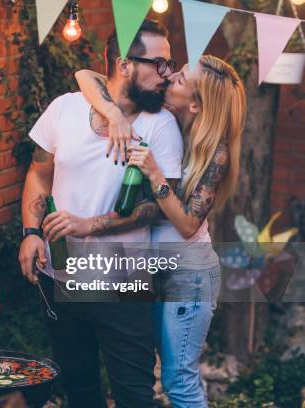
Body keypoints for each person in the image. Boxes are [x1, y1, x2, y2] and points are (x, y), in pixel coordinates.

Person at [18, 20, 183, 407]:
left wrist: (89, 225)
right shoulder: (65, 108)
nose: (167, 74)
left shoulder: (160, 126)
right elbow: (39, 173)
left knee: (133, 396)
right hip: (58, 276)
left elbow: (160, 207)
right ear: (125, 64)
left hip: (123, 288)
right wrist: (29, 231)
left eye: (169, 64)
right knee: (79, 392)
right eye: (159, 64)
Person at [70, 54, 246, 407]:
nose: (169, 78)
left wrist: (154, 174)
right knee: (146, 371)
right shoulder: (168, 123)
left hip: (188, 273)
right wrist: (115, 113)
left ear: (195, 104)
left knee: (179, 381)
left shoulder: (216, 153)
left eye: (180, 80)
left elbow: (186, 224)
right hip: (151, 267)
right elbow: (85, 74)